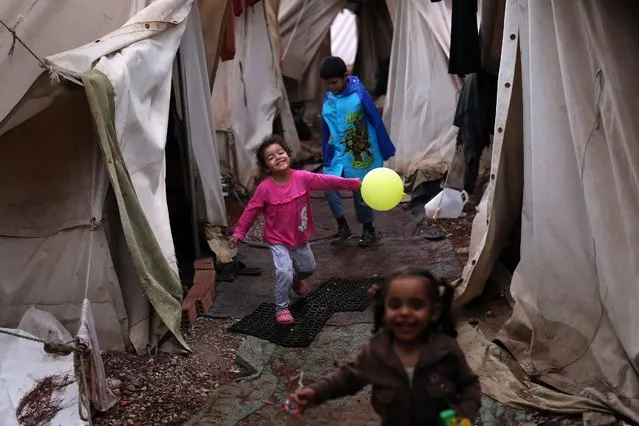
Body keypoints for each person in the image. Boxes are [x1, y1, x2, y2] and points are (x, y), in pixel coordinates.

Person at [288, 266, 481, 425]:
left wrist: (464, 414)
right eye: (395, 305)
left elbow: (469, 385)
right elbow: (348, 378)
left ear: (434, 312)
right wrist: (316, 393)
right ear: (384, 309)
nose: (405, 312)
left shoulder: (446, 350)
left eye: (416, 305)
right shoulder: (376, 353)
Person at [229, 135, 362, 325]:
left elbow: (326, 181)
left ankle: (295, 280)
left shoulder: (302, 178)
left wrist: (351, 184)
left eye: (280, 152)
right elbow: (250, 211)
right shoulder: (264, 189)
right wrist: (239, 233)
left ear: (288, 155)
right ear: (267, 167)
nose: (278, 157)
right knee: (283, 271)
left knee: (308, 269)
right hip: (278, 239)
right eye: (271, 157)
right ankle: (282, 308)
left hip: (299, 236)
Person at [320, 56, 396, 247]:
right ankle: (342, 226)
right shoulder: (328, 99)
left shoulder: (359, 95)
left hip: (358, 150)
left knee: (360, 192)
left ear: (346, 76)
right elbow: (325, 128)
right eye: (327, 83)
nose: (331, 86)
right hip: (336, 152)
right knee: (329, 189)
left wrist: (385, 149)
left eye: (334, 82)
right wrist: (325, 153)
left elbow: (376, 121)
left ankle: (368, 229)